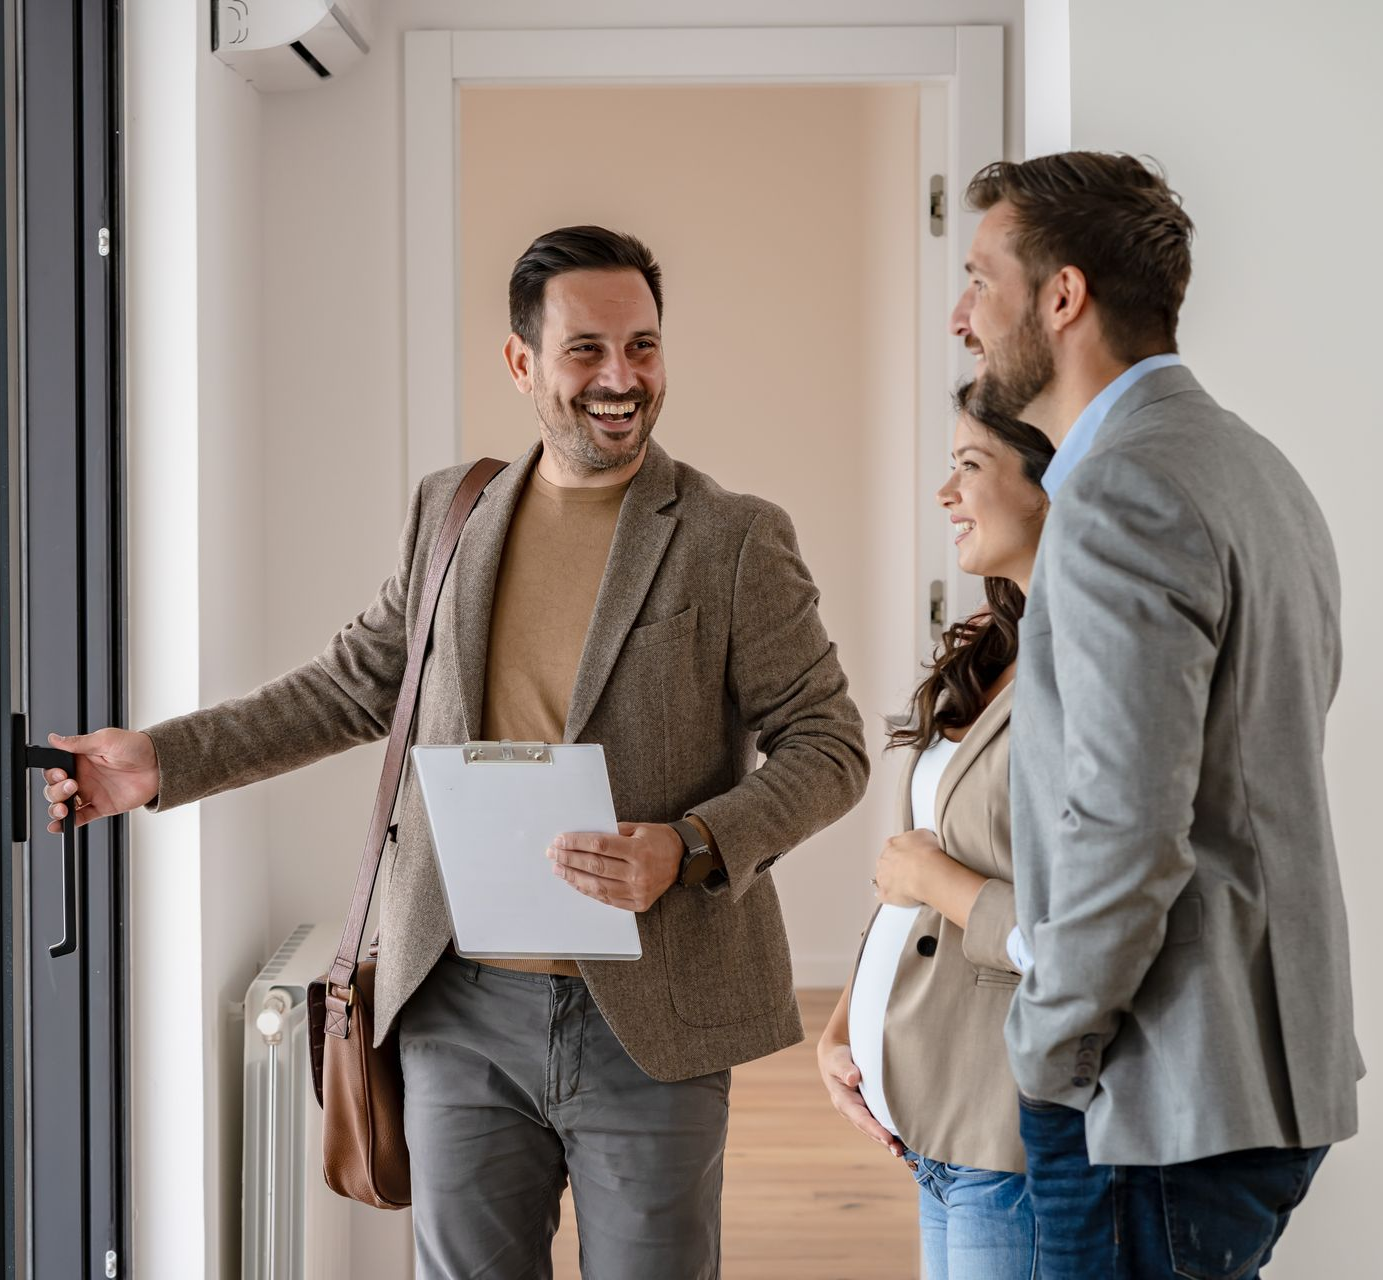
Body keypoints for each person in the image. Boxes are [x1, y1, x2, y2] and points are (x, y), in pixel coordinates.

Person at [41, 226, 869, 1280]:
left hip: (653, 1008)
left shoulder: (732, 533)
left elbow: (830, 743)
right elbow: (352, 683)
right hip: (459, 1002)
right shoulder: (454, 510)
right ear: (522, 362)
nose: (621, 378)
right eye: (587, 350)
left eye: (644, 347)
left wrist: (690, 842)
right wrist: (160, 759)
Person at [949, 152, 1361, 1278]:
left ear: (1063, 296)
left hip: (1154, 1094)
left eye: (980, 279)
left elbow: (1126, 828)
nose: (960, 315)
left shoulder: (1121, 490)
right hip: (1270, 1077)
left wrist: (1044, 1050)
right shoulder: (1255, 468)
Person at [817, 380, 1053, 1280]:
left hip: (1008, 1130)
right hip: (929, 1122)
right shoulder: (994, 654)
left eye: (968, 466)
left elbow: (1077, 932)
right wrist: (843, 1026)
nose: (945, 493)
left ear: (1047, 483)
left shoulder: (1087, 671)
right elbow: (904, 871)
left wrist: (928, 882)